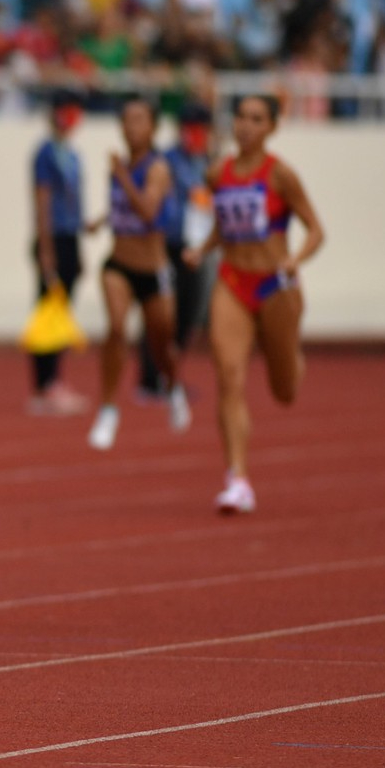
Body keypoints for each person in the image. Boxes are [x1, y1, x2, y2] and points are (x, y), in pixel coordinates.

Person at [192, 95, 326, 514]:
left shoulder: (281, 175)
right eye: (241, 118)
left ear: (271, 128)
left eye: (257, 119)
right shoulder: (218, 173)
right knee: (229, 376)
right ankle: (237, 479)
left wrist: (295, 258)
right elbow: (223, 226)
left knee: (283, 390)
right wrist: (203, 250)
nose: (246, 126)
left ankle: (291, 359)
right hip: (233, 281)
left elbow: (316, 229)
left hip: (275, 285)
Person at [87, 100, 192, 450]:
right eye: (127, 120)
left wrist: (121, 177)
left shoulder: (158, 168)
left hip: (154, 270)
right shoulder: (121, 166)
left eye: (140, 120)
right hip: (118, 264)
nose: (132, 127)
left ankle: (173, 388)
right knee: (116, 329)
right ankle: (108, 409)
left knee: (162, 344)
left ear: (153, 128)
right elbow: (121, 204)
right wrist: (100, 220)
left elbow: (147, 209)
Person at [140, 104, 216, 396]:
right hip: (167, 245)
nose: (195, 136)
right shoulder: (166, 160)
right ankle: (150, 378)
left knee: (188, 313)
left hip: (195, 249)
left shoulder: (206, 162)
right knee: (161, 315)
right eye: (190, 130)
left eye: (201, 131)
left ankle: (168, 374)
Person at [29, 91, 89, 415]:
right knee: (48, 311)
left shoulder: (73, 154)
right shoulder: (45, 154)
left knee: (63, 312)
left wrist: (81, 237)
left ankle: (55, 379)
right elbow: (42, 200)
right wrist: (46, 247)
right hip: (52, 238)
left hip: (69, 237)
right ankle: (44, 383)